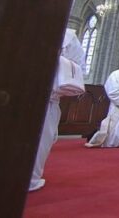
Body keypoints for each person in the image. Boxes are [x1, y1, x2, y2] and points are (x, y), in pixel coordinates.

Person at [30, 29, 85, 191]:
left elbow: (79, 66)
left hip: (47, 97)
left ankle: (29, 176)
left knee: (39, 140)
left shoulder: (68, 36)